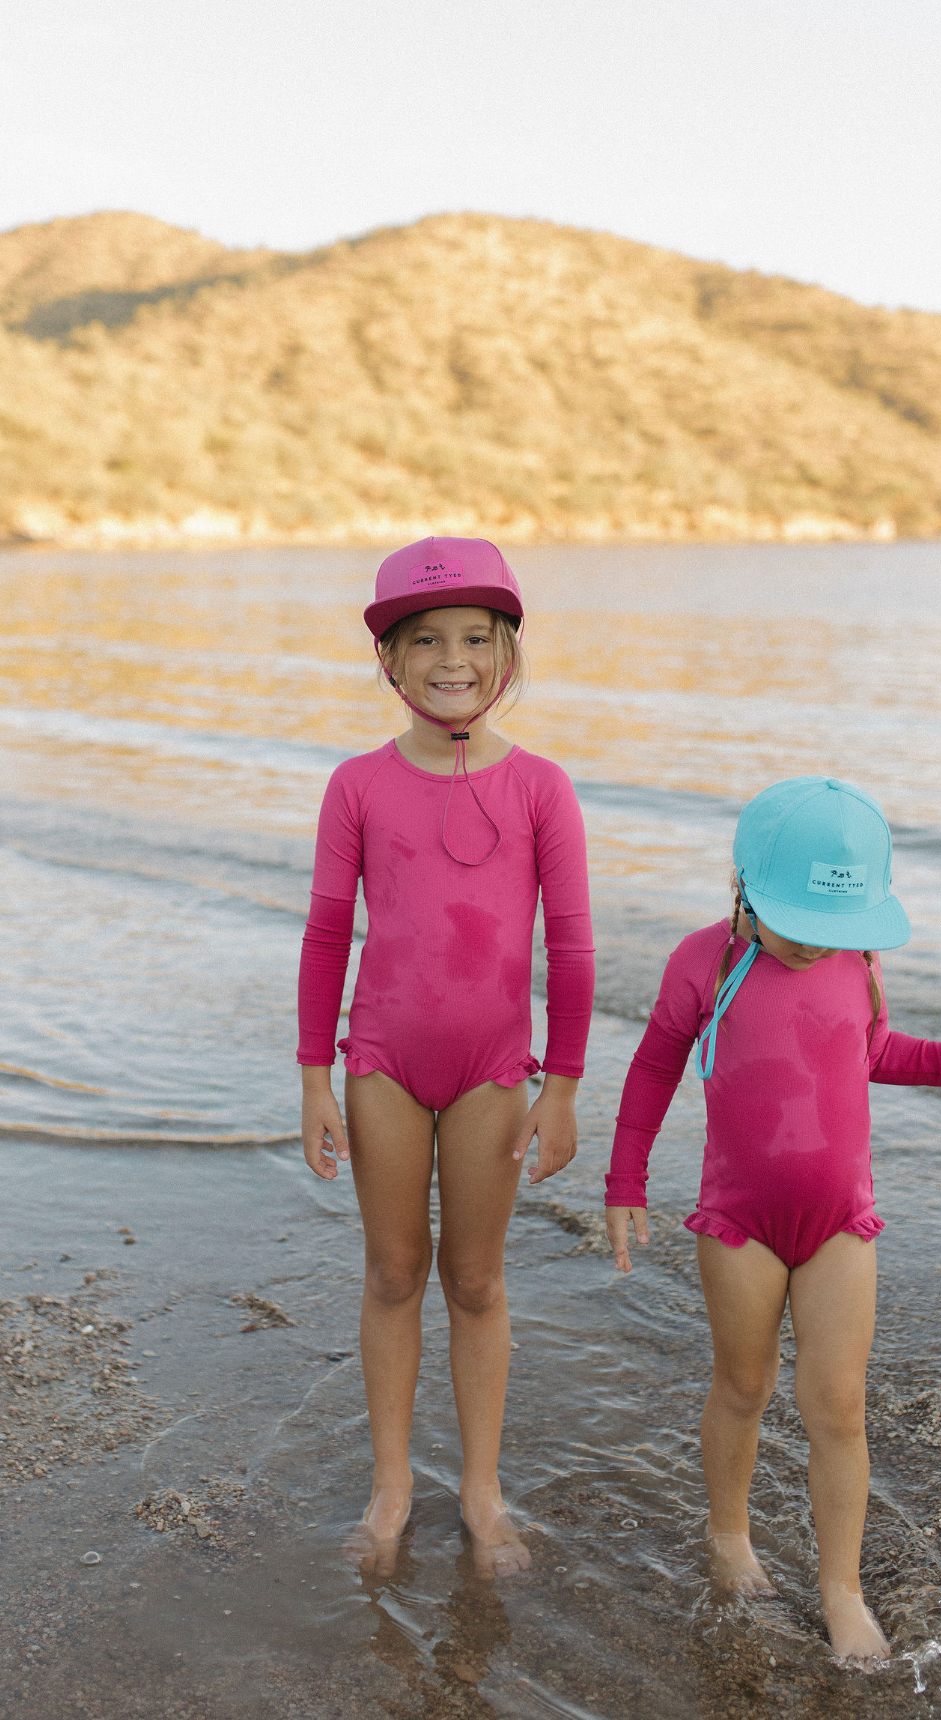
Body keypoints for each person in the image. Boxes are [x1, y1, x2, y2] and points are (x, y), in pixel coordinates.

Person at [603, 776, 941, 1660]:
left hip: (841, 1225)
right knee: (744, 1386)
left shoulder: (859, 960)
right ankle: (729, 1533)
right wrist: (626, 1180)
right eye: (800, 921)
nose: (818, 941)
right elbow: (655, 1066)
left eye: (835, 924)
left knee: (840, 1409)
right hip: (740, 1222)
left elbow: (879, 1050)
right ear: (745, 888)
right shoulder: (703, 963)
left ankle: (841, 1588)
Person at [298, 537, 594, 1579]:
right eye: (425, 640)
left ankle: (480, 1487)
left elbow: (573, 947)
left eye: (475, 637)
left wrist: (563, 1086)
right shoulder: (357, 786)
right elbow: (327, 937)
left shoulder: (543, 788)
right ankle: (391, 1485)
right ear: (389, 659)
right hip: (382, 1060)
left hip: (492, 1070)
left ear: (507, 652)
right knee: (393, 1272)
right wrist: (314, 1076)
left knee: (474, 1279)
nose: (453, 660)